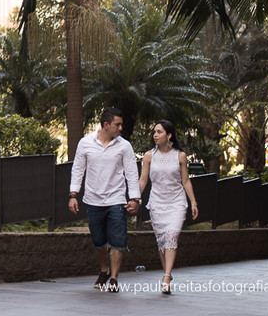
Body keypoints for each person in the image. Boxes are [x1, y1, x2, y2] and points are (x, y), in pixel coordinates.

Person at [69, 107, 141, 293]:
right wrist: (73, 195)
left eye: (121, 124)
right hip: (93, 199)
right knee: (98, 240)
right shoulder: (85, 143)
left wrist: (134, 199)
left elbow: (132, 174)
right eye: (117, 124)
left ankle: (114, 278)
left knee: (118, 240)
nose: (120, 128)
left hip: (116, 199)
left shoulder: (124, 146)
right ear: (106, 124)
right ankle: (104, 270)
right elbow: (78, 170)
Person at [139, 120, 198, 295]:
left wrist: (193, 202)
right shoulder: (149, 156)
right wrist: (135, 199)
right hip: (157, 203)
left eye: (159, 132)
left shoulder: (180, 156)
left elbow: (186, 181)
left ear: (169, 135)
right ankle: (168, 275)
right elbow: (143, 180)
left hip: (177, 203)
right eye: (154, 132)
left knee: (171, 235)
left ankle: (166, 275)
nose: (155, 135)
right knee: (162, 242)